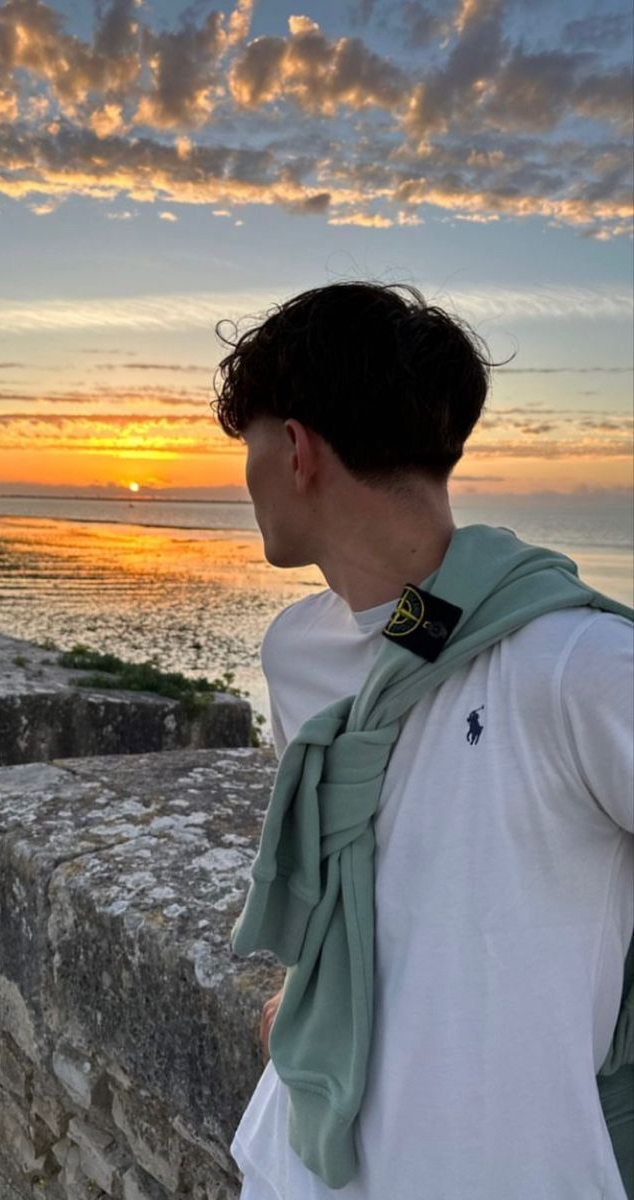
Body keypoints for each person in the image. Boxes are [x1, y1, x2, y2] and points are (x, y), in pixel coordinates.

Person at [211, 281, 634, 1200]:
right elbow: (360, 864)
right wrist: (312, 985)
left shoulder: (573, 662)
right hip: (296, 1158)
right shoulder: (299, 652)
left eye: (247, 447)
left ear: (294, 451)